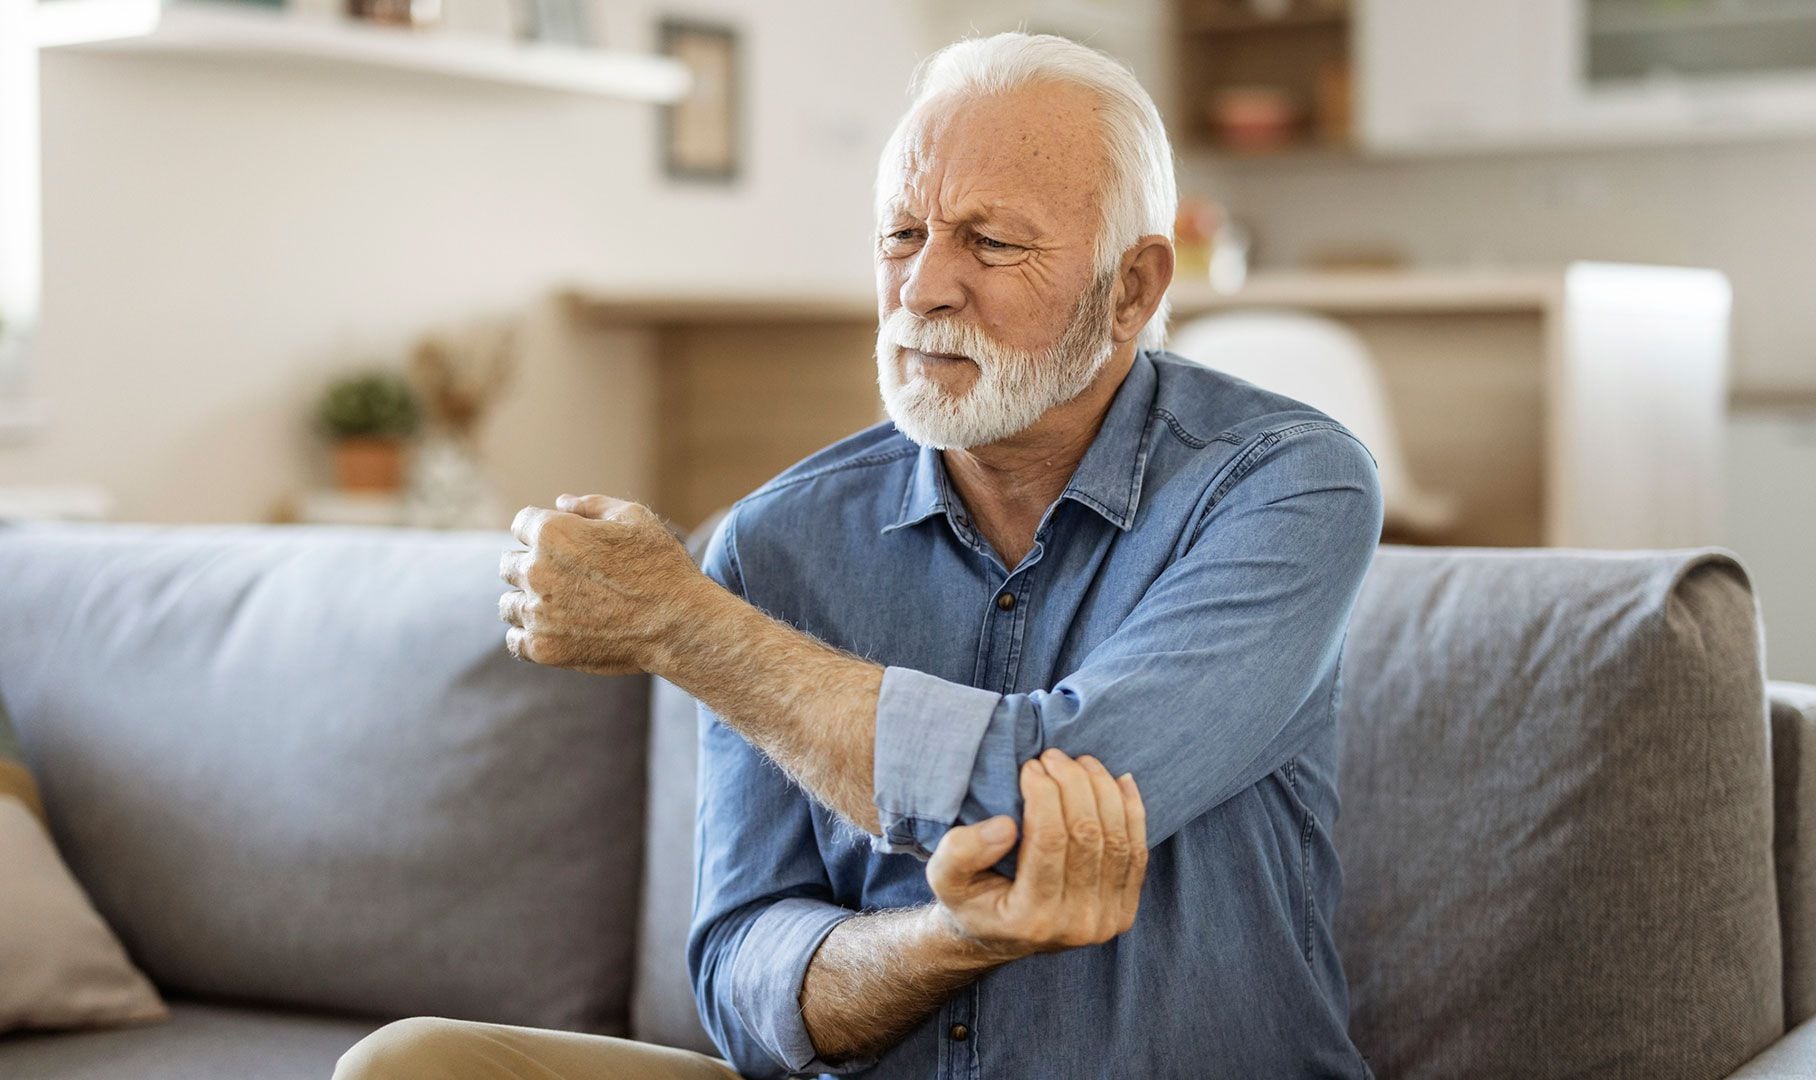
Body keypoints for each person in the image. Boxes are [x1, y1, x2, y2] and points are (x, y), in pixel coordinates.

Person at [335, 29, 1380, 1080]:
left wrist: (688, 627)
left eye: (989, 242)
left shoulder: (1284, 485)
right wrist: (948, 943)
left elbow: (1038, 804)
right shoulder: (776, 541)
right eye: (901, 234)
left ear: (1132, 288)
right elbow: (743, 976)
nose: (923, 287)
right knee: (411, 1065)